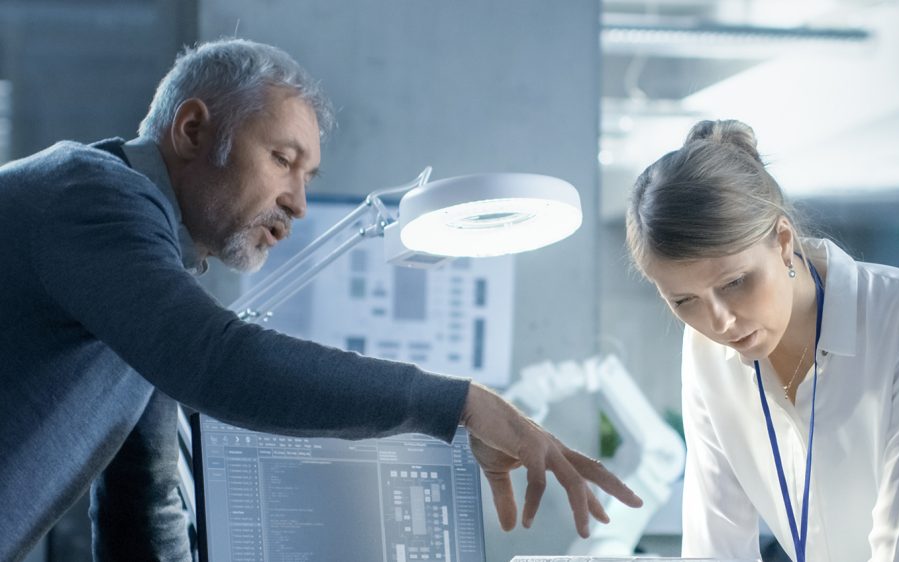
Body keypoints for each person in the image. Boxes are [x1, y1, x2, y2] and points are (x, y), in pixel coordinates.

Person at [0, 38, 640, 562]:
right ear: (193, 130)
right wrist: (459, 402)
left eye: (308, 177)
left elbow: (142, 497)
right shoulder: (90, 197)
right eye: (282, 160)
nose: (299, 203)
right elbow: (217, 363)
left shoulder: (144, 271)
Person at [625, 119, 899, 561]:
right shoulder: (705, 351)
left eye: (735, 282)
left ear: (783, 240)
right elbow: (715, 540)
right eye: (684, 301)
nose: (719, 321)